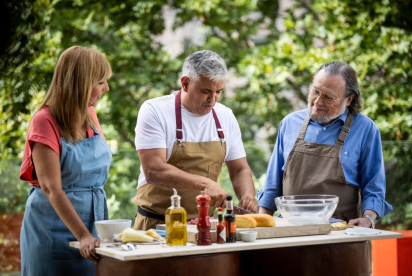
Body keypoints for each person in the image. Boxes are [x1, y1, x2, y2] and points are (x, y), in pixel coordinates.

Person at [133, 50, 258, 230]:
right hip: (157, 225)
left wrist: (247, 195)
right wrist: (205, 184)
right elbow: (154, 170)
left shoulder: (226, 116)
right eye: (206, 91)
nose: (212, 99)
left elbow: (239, 169)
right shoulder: (154, 111)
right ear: (185, 83)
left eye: (218, 92)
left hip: (205, 225)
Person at [258, 61, 392, 228]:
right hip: (290, 230)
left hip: (340, 232)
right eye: (315, 92)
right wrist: (261, 227)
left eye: (328, 97)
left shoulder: (366, 130)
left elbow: (373, 187)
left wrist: (368, 218)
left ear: (349, 99)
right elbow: (273, 185)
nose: (318, 102)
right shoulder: (289, 123)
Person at [19, 46, 112, 275]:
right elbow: (51, 188)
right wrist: (82, 235)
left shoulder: (90, 116)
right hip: (51, 228)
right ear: (81, 83)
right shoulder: (44, 120)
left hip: (92, 228)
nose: (106, 88)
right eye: (100, 82)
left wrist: (90, 235)